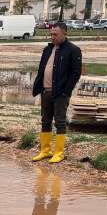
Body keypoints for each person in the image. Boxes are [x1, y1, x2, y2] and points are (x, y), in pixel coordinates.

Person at [31, 20, 82, 164]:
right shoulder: (48, 49)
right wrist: (39, 87)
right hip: (45, 91)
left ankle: (59, 153)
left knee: (59, 121)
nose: (52, 37)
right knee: (45, 121)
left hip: (60, 93)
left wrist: (66, 91)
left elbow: (75, 73)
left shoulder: (73, 50)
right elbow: (42, 69)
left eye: (55, 34)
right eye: (51, 34)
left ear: (64, 33)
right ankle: (45, 150)